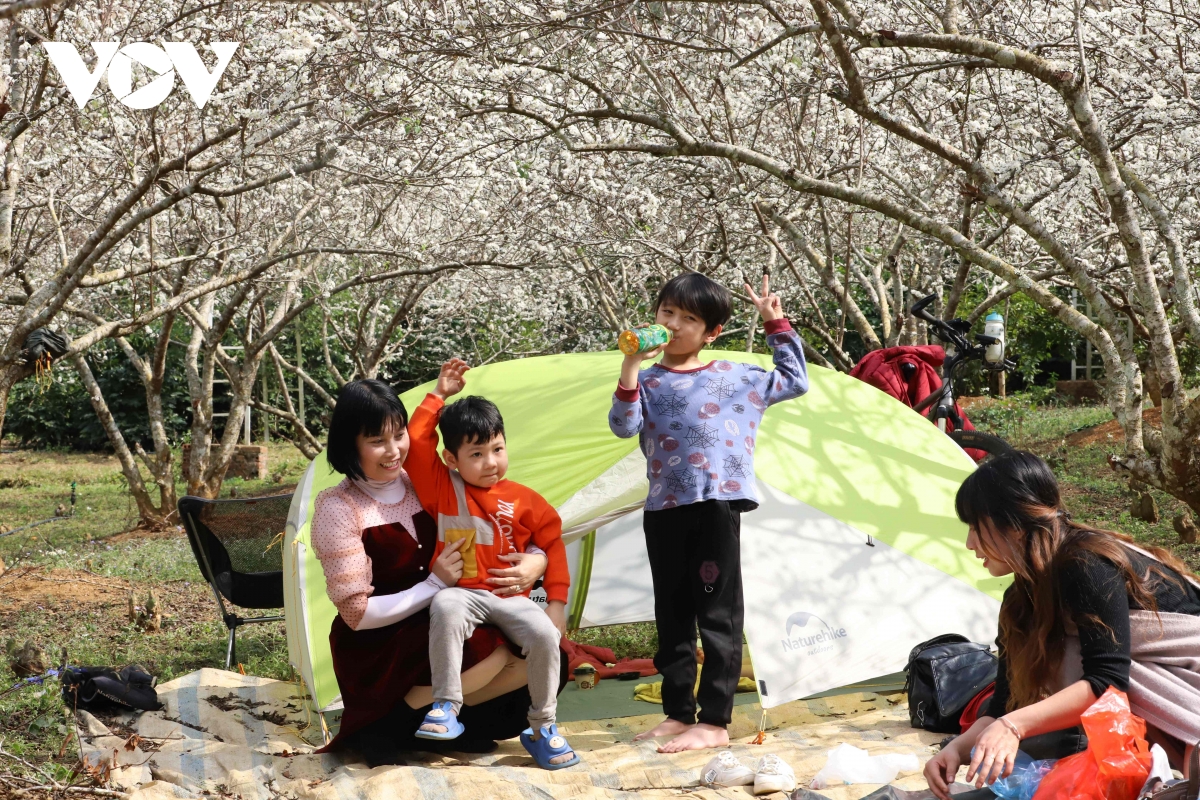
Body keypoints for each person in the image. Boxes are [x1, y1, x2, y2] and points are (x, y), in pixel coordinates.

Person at [607, 272, 809, 753]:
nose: (673, 325)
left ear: (711, 332)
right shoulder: (648, 381)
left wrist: (774, 321)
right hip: (663, 509)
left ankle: (714, 721)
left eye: (688, 318)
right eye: (667, 313)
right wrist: (631, 367)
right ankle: (678, 714)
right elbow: (623, 425)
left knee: (717, 614)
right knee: (671, 613)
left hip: (716, 505)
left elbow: (795, 380)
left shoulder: (736, 377)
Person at [924, 451, 1200, 800]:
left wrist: (1014, 727)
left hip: (1187, 680)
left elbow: (1107, 681)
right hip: (1156, 693)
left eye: (977, 527)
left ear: (1015, 522)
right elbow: (1004, 703)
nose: (970, 543)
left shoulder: (1085, 563)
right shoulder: (1020, 600)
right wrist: (956, 750)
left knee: (1068, 655)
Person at [310, 379, 559, 765]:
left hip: (449, 613)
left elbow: (503, 519)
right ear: (349, 444)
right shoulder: (338, 508)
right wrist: (435, 584)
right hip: (381, 642)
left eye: (399, 435)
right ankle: (391, 720)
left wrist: (536, 559)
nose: (394, 451)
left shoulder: (424, 481)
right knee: (491, 653)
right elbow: (357, 616)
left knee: (543, 650)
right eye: (377, 440)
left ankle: (446, 723)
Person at [405, 359, 579, 770]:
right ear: (452, 459)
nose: (491, 462)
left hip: (510, 597)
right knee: (444, 606)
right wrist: (439, 394)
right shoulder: (441, 487)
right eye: (477, 454)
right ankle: (445, 708)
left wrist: (555, 603)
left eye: (497, 449)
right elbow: (415, 438)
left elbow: (552, 543)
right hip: (463, 594)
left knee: (543, 635)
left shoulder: (525, 498)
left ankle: (542, 728)